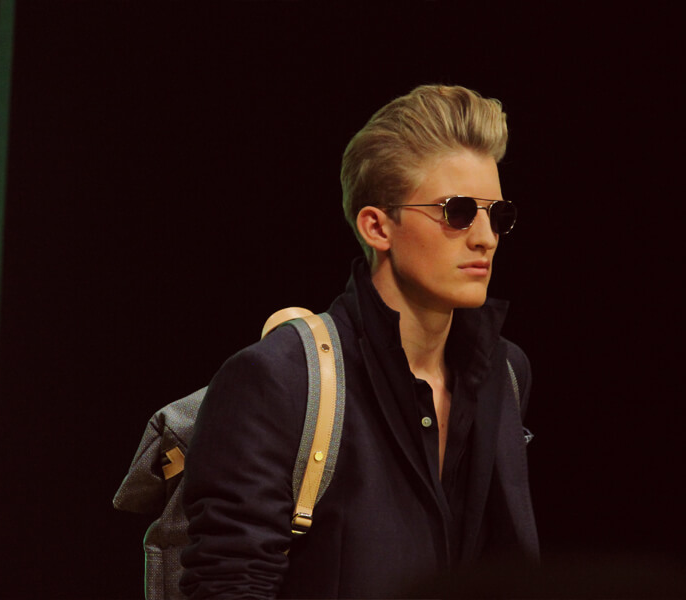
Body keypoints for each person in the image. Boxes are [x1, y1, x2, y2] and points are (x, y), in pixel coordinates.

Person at [179, 84, 539, 599]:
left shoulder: (503, 373)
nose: (485, 237)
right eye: (457, 212)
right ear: (376, 227)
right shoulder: (278, 379)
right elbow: (229, 584)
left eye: (498, 215)